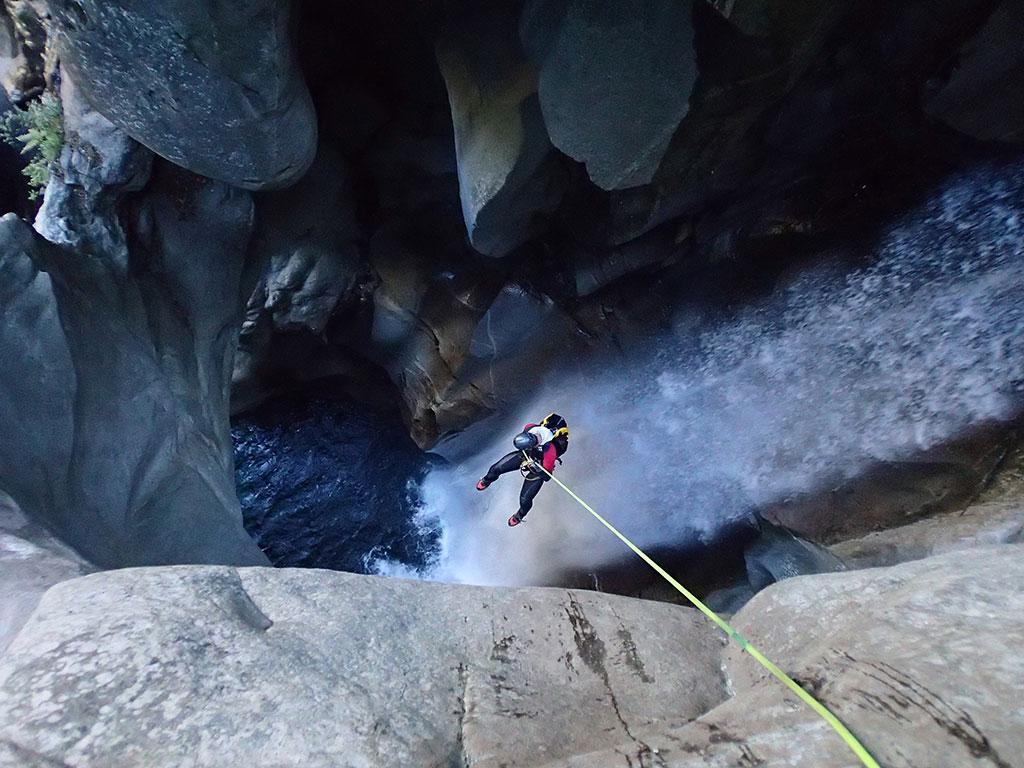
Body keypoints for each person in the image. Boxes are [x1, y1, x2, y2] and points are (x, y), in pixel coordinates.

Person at [476, 413, 569, 527]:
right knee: (496, 468)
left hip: (539, 466)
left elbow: (547, 476)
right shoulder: (529, 428)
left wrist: (535, 468)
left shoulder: (549, 451)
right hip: (525, 455)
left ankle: (520, 514)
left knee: (525, 499)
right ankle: (487, 479)